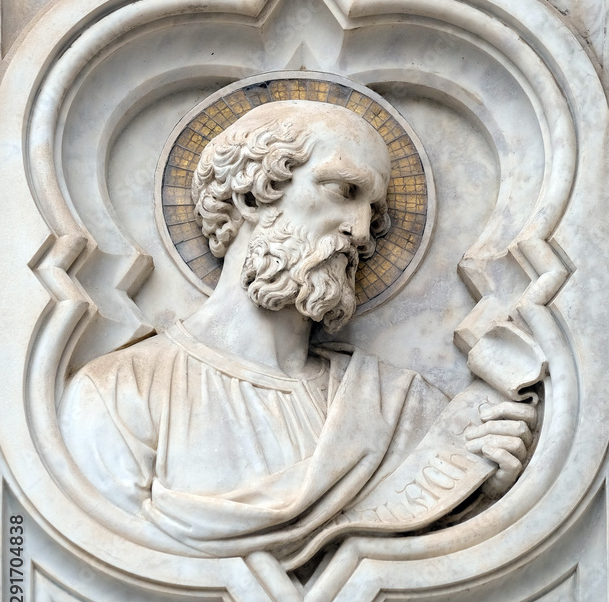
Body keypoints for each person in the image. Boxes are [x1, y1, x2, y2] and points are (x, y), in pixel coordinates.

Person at [59, 100, 537, 565]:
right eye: (344, 191)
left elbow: (420, 556)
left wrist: (475, 486)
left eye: (374, 210)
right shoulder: (119, 395)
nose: (362, 231)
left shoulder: (401, 406)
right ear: (251, 195)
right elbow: (126, 564)